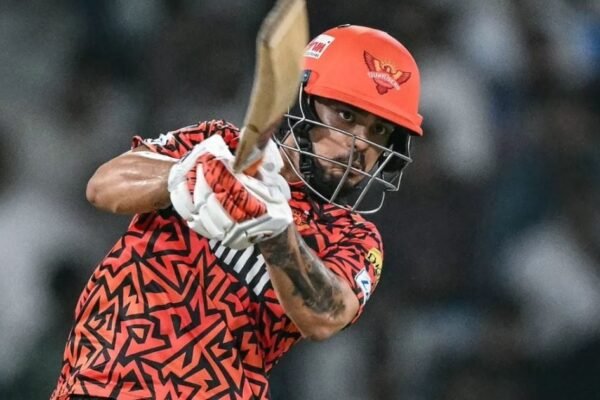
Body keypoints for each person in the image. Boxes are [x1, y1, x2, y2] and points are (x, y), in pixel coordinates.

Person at [51, 24, 423, 400]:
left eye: (380, 131)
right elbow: (102, 186)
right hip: (100, 385)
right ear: (302, 100)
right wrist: (187, 175)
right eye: (346, 116)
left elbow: (326, 318)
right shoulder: (218, 143)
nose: (361, 144)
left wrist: (277, 235)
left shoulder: (354, 236)